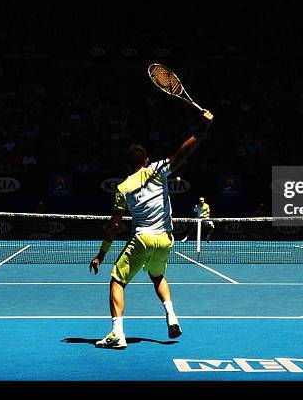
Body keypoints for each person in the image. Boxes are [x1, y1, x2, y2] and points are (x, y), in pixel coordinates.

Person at [90, 109, 214, 349]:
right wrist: (203, 127)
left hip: (143, 238)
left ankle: (117, 333)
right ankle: (172, 316)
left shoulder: (123, 187)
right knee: (157, 276)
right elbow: (183, 152)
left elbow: (114, 225)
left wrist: (101, 254)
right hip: (166, 240)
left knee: (117, 280)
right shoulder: (157, 171)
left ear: (127, 165)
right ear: (145, 162)